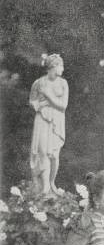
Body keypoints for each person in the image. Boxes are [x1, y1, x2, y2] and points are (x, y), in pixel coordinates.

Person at [29, 54, 68, 195]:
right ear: (53, 67)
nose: (63, 69)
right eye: (61, 66)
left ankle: (52, 183)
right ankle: (45, 186)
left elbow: (63, 105)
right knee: (43, 153)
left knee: (54, 155)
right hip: (42, 119)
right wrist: (39, 105)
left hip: (56, 121)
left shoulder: (63, 83)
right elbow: (32, 100)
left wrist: (49, 96)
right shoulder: (39, 83)